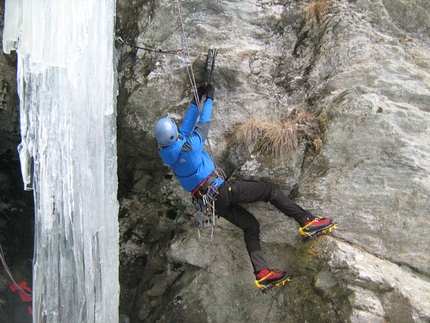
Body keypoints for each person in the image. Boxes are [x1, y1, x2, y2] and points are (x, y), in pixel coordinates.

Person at [154, 82, 335, 290]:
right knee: (270, 191)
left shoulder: (171, 153)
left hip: (213, 205)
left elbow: (185, 127)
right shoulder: (190, 148)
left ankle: (262, 273)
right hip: (221, 192)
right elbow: (203, 125)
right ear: (173, 135)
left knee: (251, 226)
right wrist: (210, 99)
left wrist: (197, 99)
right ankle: (307, 221)